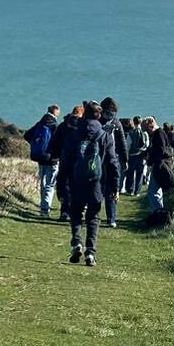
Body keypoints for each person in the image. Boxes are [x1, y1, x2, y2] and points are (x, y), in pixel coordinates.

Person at [56, 101, 117, 266]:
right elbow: (112, 163)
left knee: (76, 213)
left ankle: (77, 242)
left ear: (84, 115)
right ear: (99, 116)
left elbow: (65, 163)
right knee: (94, 217)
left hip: (76, 181)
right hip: (97, 182)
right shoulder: (105, 136)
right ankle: (90, 252)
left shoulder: (73, 135)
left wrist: (61, 187)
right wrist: (115, 187)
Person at [23, 105, 60, 218]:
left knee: (43, 183)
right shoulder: (54, 126)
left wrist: (36, 145)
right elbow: (59, 141)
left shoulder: (40, 123)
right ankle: (45, 209)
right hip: (52, 159)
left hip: (40, 158)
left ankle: (43, 205)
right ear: (56, 113)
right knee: (50, 184)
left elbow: (27, 135)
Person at [47, 103, 83, 221]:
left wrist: (55, 156)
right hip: (79, 159)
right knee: (78, 185)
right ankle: (76, 211)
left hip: (65, 157)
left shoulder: (63, 125)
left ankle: (65, 211)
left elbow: (55, 142)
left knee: (65, 184)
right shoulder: (83, 126)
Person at [98, 96, 126, 228]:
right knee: (111, 188)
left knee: (98, 186)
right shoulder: (116, 122)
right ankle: (111, 218)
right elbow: (122, 142)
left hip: (98, 157)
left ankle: (95, 215)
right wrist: (125, 159)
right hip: (112, 157)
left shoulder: (97, 120)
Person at [144, 117, 171, 213]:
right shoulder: (159, 133)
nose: (148, 132)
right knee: (155, 190)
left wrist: (151, 157)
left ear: (151, 126)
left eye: (147, 129)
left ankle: (157, 211)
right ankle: (158, 211)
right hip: (159, 164)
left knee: (153, 190)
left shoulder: (159, 133)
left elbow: (161, 150)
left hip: (160, 165)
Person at [124, 117, 150, 194]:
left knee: (130, 173)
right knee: (140, 174)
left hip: (132, 155)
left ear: (134, 122)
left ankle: (130, 190)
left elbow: (128, 145)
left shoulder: (131, 133)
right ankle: (137, 191)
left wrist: (126, 156)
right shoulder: (145, 133)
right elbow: (147, 145)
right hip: (141, 155)